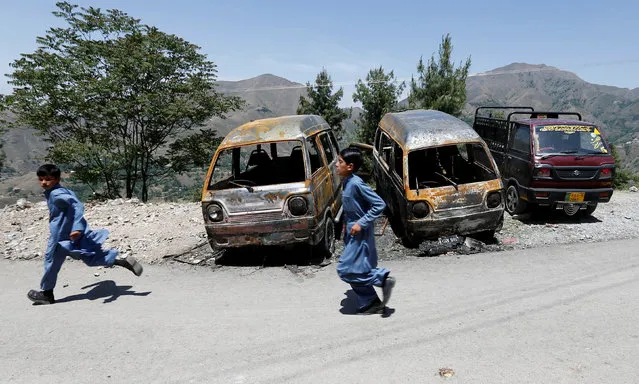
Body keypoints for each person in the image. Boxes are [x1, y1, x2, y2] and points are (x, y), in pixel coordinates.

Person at [27, 164, 143, 305]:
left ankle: (47, 295)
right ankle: (119, 261)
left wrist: (76, 228)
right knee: (90, 259)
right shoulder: (62, 190)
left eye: (48, 179)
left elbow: (77, 206)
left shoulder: (56, 194)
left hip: (62, 237)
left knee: (50, 261)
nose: (43, 182)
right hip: (71, 237)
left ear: (56, 179)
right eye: (41, 179)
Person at [335, 147, 396, 315]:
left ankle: (382, 278)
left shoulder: (355, 183)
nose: (336, 165)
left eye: (340, 162)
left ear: (350, 166)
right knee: (357, 268)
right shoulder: (347, 181)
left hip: (359, 232)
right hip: (351, 231)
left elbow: (379, 204)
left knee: (346, 270)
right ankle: (370, 303)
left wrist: (361, 223)